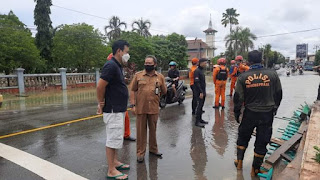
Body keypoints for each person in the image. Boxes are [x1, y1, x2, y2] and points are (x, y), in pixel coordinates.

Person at [233, 50, 282, 177]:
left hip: (250, 113)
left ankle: (239, 163)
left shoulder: (243, 77)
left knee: (243, 137)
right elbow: (278, 94)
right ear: (261, 60)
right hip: (267, 114)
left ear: (248, 62)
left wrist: (237, 113)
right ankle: (255, 170)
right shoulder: (273, 74)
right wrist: (274, 108)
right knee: (262, 141)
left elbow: (238, 98)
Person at [96, 40, 131, 180]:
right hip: (113, 109)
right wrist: (101, 102)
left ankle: (115, 162)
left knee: (116, 137)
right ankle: (111, 170)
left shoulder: (116, 65)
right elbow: (100, 86)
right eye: (126, 52)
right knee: (112, 139)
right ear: (119, 51)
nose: (127, 55)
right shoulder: (111, 66)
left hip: (118, 109)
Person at [130, 55, 167, 163]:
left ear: (155, 64)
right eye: (146, 63)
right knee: (141, 132)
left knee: (153, 131)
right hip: (141, 108)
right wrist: (133, 105)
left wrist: (159, 90)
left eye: (150, 64)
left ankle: (153, 150)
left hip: (154, 108)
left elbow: (164, 91)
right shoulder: (138, 76)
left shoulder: (160, 77)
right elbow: (132, 90)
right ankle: (140, 153)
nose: (147, 65)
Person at [107, 53, 136, 142]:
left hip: (121, 99)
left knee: (125, 118)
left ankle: (126, 135)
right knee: (115, 120)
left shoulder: (119, 68)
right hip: (114, 100)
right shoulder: (110, 68)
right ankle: (115, 137)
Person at [194, 58, 209, 128]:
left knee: (201, 106)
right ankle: (197, 122)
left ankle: (200, 119)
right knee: (199, 106)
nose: (206, 64)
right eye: (205, 63)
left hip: (203, 91)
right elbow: (197, 82)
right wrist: (200, 92)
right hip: (199, 92)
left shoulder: (201, 70)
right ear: (201, 63)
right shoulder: (197, 71)